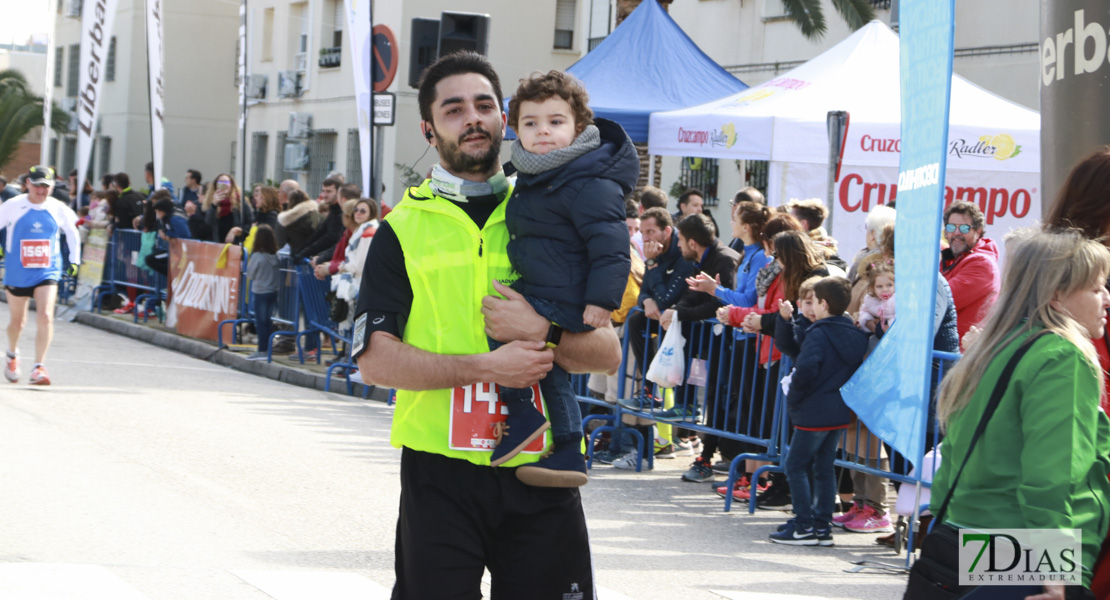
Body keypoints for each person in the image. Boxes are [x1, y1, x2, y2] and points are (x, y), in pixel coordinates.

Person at [351, 51, 620, 598]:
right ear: (428, 128)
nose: (472, 118)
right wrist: (486, 366)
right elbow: (375, 360)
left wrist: (542, 332)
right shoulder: (400, 229)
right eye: (453, 109)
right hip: (439, 477)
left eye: (484, 105)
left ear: (505, 118)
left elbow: (607, 353)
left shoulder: (557, 208)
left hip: (541, 469)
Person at [928, 228, 1110, 598]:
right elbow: (1053, 472)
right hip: (1027, 552)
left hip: (970, 535)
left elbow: (953, 453)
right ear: (1057, 296)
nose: (1106, 299)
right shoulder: (1062, 357)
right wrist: (1057, 571)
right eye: (1096, 288)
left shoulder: (995, 349)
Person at [486, 69, 635, 486]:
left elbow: (611, 245)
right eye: (531, 124)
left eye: (555, 122)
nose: (543, 132)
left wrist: (602, 301)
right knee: (552, 372)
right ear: (516, 130)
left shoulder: (587, 179)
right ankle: (568, 447)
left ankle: (523, 413)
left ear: (579, 127)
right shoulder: (535, 175)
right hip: (544, 287)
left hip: (565, 295)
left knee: (503, 330)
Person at [768, 276, 868, 546]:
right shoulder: (854, 334)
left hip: (814, 410)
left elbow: (807, 370)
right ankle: (821, 526)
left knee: (796, 464)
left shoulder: (819, 333)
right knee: (824, 467)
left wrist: (796, 398)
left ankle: (803, 525)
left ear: (824, 303)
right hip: (837, 410)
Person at [0, 166, 80, 385]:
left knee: (45, 315)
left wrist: (74, 261)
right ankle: (12, 354)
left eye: (46, 186)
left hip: (48, 269)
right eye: (37, 185)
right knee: (18, 322)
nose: (41, 190)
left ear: (52, 186)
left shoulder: (58, 208)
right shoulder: (13, 206)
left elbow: (73, 233)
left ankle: (38, 367)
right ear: (27, 184)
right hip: (18, 270)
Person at [940, 200, 1000, 340]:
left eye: (964, 228)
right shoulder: (949, 260)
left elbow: (939, 300)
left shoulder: (982, 264)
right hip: (944, 351)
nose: (956, 233)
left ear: (978, 231)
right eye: (951, 227)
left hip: (962, 356)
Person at [246, 225, 281, 361]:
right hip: (273, 291)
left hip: (260, 291)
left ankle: (262, 350)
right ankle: (267, 349)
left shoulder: (257, 256)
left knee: (260, 322)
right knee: (268, 320)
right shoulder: (276, 257)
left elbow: (250, 275)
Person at [294, 177, 344, 264]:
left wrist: (304, 252)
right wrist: (301, 250)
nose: (324, 195)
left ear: (339, 192)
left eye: (329, 191)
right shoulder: (333, 210)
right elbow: (320, 232)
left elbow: (330, 237)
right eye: (323, 191)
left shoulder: (340, 213)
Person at [145, 191, 191, 276]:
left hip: (184, 251)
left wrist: (168, 235)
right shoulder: (169, 218)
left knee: (151, 259)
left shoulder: (175, 218)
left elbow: (186, 235)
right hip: (176, 250)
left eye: (157, 212)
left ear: (162, 211)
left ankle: (172, 276)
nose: (157, 215)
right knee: (150, 259)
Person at [202, 173, 253, 243]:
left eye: (226, 182)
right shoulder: (211, 202)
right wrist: (214, 204)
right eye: (220, 182)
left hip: (236, 245)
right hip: (217, 245)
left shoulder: (240, 201)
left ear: (231, 185)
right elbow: (208, 223)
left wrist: (236, 231)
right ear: (216, 186)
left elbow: (250, 222)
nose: (224, 184)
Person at [277, 189, 321, 256]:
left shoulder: (287, 219)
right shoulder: (318, 214)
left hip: (298, 257)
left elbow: (279, 242)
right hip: (318, 256)